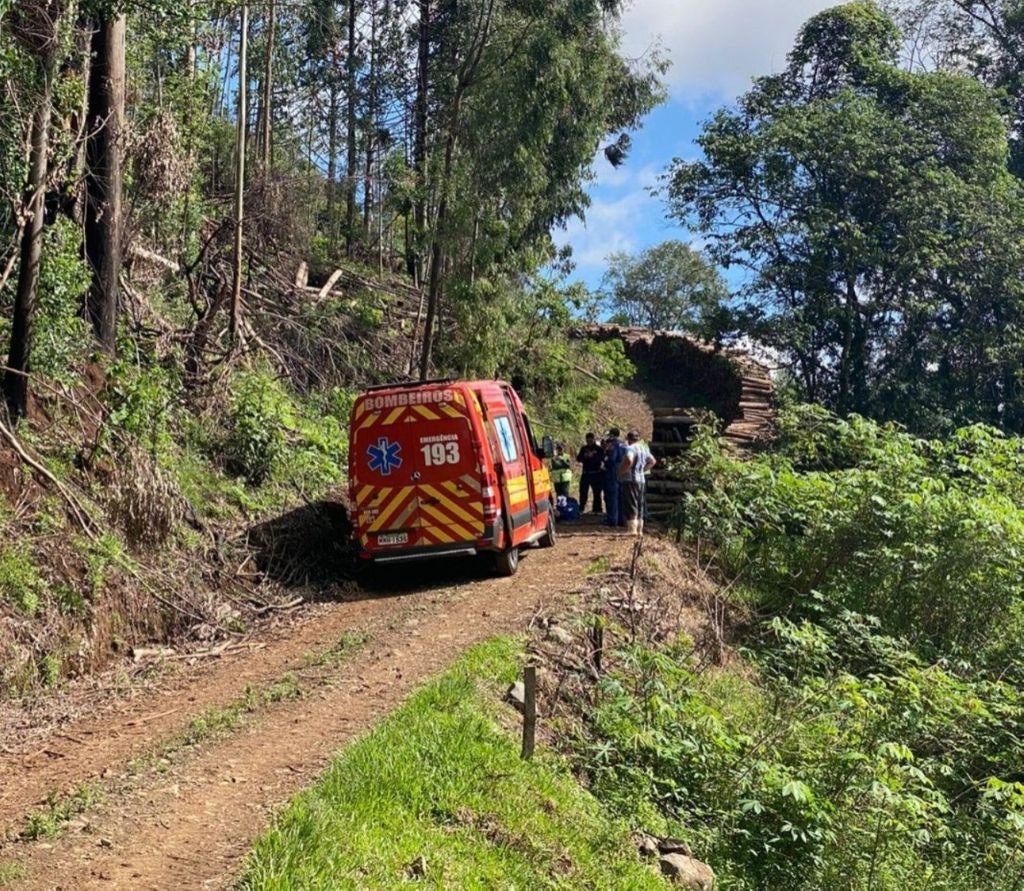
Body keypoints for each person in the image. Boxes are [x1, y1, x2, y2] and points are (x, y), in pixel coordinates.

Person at [619, 428, 656, 537]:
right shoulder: (644, 449)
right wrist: (642, 470)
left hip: (631, 479)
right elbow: (653, 461)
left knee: (631, 503)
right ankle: (640, 529)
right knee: (640, 503)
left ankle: (632, 530)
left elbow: (629, 460)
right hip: (641, 480)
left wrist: (622, 471)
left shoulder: (630, 448)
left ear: (629, 439)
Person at [603, 428, 628, 528]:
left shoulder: (612, 445)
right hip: (623, 471)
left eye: (610, 435)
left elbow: (611, 459)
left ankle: (612, 520)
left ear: (612, 435)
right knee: (621, 497)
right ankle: (622, 520)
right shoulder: (624, 445)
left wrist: (605, 462)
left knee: (612, 496)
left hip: (613, 472)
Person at [576, 432, 605, 513]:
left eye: (590, 439)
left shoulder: (598, 449)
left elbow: (601, 459)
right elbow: (578, 458)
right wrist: (585, 456)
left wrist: (593, 456)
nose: (589, 441)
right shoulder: (584, 448)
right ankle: (581, 508)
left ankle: (597, 509)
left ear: (593, 439)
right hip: (586, 473)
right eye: (587, 440)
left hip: (595, 473)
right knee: (583, 491)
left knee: (597, 492)